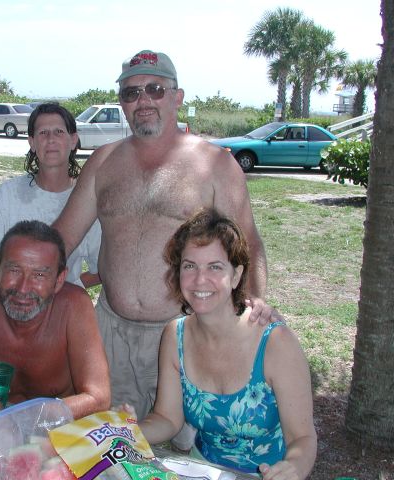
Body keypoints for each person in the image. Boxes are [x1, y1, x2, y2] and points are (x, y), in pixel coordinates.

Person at [52, 50, 274, 419]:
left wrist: (253, 305)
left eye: (154, 89)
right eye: (130, 93)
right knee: (109, 442)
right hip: (111, 334)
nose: (143, 101)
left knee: (184, 451)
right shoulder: (103, 162)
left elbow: (248, 241)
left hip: (186, 335)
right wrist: (13, 274)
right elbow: (62, 237)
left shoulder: (216, 164)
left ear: (177, 97)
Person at [130, 209, 316, 479]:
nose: (199, 280)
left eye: (215, 267)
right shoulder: (175, 335)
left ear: (237, 276)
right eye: (189, 265)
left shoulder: (275, 343)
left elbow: (303, 438)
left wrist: (294, 468)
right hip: (203, 470)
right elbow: (168, 419)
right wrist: (124, 432)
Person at [0, 103, 101, 305]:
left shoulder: (88, 200)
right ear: (32, 142)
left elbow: (100, 271)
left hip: (60, 310)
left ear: (73, 140)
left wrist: (66, 288)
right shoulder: (8, 193)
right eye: (43, 133)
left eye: (59, 132)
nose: (50, 140)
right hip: (11, 302)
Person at [0, 220, 110, 419]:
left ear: (59, 280)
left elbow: (99, 398)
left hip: (58, 432)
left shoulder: (73, 307)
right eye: (14, 270)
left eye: (39, 275)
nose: (24, 288)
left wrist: (14, 416)